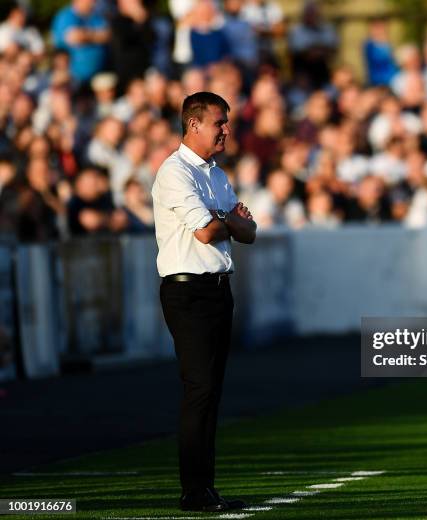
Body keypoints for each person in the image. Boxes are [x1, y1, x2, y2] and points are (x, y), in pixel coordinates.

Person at [152, 91, 256, 512]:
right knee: (200, 389)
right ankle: (194, 490)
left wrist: (224, 218)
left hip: (217, 289)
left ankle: (205, 487)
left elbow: (247, 232)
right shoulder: (174, 172)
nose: (226, 130)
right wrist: (229, 219)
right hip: (187, 289)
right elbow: (207, 231)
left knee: (210, 392)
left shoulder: (215, 174)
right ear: (193, 124)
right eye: (219, 122)